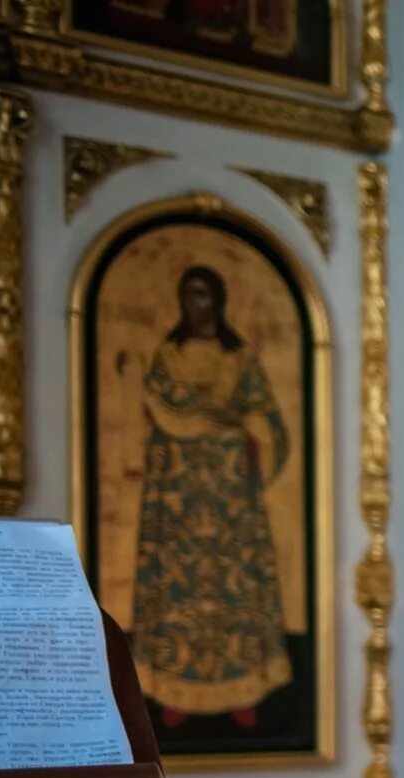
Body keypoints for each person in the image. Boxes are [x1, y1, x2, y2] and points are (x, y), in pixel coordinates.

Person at [130, 266, 291, 729]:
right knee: (177, 587)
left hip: (229, 497)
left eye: (203, 295)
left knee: (233, 586)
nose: (195, 305)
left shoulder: (238, 359)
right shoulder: (169, 354)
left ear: (217, 301)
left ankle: (243, 690)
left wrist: (245, 432)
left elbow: (268, 420)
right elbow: (155, 408)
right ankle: (174, 692)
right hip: (179, 497)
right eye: (188, 295)